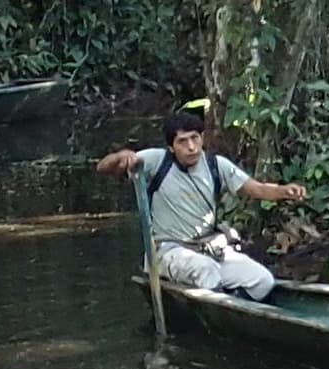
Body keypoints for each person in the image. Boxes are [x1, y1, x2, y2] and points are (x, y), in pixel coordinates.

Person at [99, 108, 307, 301]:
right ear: (171, 146)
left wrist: (284, 191)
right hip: (168, 252)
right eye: (182, 141)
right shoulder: (156, 161)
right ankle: (221, 310)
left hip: (210, 250)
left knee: (262, 280)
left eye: (194, 138)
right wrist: (122, 156)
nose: (191, 147)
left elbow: (257, 189)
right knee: (205, 270)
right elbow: (103, 168)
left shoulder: (216, 165)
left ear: (202, 138)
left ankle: (233, 306)